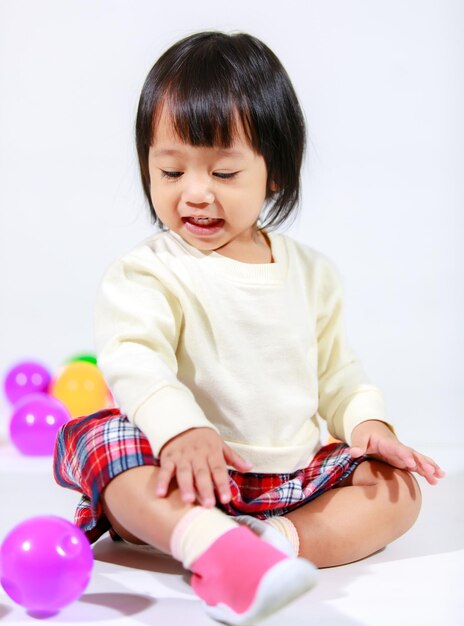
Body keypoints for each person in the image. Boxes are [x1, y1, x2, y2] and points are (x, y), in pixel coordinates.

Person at [54, 31, 445, 626]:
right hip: (183, 473)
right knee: (109, 445)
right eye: (170, 169)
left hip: (290, 479)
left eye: (225, 172)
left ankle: (271, 547)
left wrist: (368, 424)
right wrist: (180, 430)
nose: (195, 193)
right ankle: (208, 541)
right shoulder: (147, 272)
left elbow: (337, 371)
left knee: (397, 489)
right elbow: (135, 357)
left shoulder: (311, 275)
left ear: (276, 175)